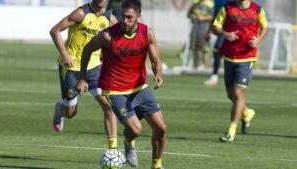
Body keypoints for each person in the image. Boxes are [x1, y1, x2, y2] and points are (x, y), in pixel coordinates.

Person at [77, 0, 167, 168]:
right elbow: (87, 49)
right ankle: (128, 142)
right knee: (136, 129)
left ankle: (156, 165)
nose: (124, 21)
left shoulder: (147, 33)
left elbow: (155, 59)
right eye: (122, 17)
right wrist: (82, 78)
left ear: (138, 16)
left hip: (140, 88)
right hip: (115, 90)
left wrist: (158, 74)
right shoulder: (107, 36)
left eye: (129, 18)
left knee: (161, 128)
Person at [49, 0, 119, 149]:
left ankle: (113, 150)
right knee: (70, 113)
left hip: (94, 69)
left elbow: (117, 43)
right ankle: (59, 109)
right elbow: (54, 31)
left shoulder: (111, 19)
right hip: (71, 69)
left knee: (109, 106)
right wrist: (65, 54)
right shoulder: (81, 13)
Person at [212, 0, 268, 142]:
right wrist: (225, 34)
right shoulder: (227, 8)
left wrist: (258, 40)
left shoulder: (258, 10)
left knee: (237, 93)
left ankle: (231, 131)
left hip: (247, 57)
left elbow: (264, 27)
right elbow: (215, 27)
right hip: (229, 55)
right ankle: (247, 112)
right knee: (231, 95)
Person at [203, 0, 228, 86]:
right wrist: (209, 30)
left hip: (235, 29)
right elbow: (216, 16)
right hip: (223, 30)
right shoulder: (217, 2)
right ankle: (214, 77)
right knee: (217, 50)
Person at [187, 0, 214, 70]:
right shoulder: (195, 3)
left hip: (205, 28)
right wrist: (194, 16)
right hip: (195, 28)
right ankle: (195, 65)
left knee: (205, 49)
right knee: (194, 48)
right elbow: (188, 14)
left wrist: (203, 18)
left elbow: (212, 16)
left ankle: (205, 66)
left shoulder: (210, 4)